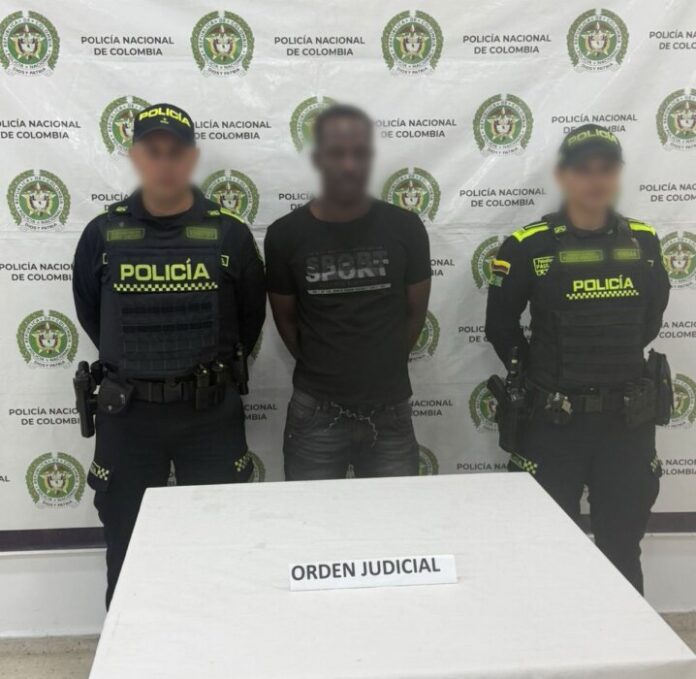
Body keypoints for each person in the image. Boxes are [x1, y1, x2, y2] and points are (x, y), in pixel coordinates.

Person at [72, 103, 266, 606]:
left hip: (209, 417)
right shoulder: (102, 234)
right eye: (151, 151)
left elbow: (249, 321)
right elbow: (93, 318)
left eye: (175, 152)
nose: (164, 162)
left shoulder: (229, 234)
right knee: (126, 547)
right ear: (136, 157)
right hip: (129, 417)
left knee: (222, 546)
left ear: (192, 158)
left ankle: (220, 641)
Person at [485, 124, 671, 593]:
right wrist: (546, 376)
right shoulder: (528, 245)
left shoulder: (644, 242)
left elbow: (649, 322)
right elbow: (500, 328)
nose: (595, 179)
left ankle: (626, 640)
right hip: (553, 426)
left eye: (605, 168)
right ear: (564, 176)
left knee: (622, 549)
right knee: (548, 551)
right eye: (583, 169)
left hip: (626, 427)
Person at [264, 104, 431, 480]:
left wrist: (378, 368)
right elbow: (286, 321)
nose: (349, 164)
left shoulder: (406, 228)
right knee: (313, 517)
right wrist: (329, 372)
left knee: (396, 515)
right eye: (337, 153)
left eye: (359, 153)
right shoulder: (285, 235)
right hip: (315, 413)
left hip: (390, 411)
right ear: (318, 158)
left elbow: (414, 315)